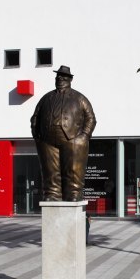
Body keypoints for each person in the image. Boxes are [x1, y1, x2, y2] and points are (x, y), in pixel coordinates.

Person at [30, 65, 97, 201]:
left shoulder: (79, 98)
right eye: (58, 76)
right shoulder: (46, 98)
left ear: (70, 79)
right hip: (47, 140)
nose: (60, 78)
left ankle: (74, 194)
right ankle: (52, 194)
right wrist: (37, 136)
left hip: (72, 139)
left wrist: (84, 136)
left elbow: (91, 118)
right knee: (50, 170)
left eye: (63, 76)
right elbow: (35, 117)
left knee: (73, 170)